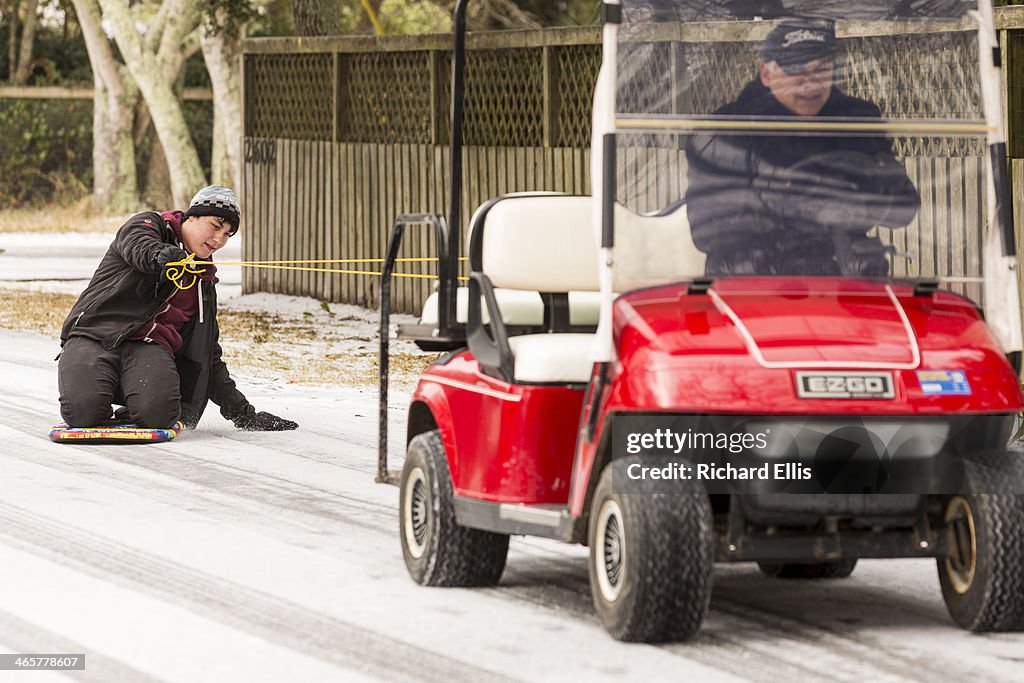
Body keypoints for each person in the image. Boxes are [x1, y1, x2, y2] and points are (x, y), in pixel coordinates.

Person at [685, 18, 920, 276]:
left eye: (821, 69)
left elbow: (903, 209)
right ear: (766, 73)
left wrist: (869, 192)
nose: (810, 84)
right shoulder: (724, 132)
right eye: (796, 71)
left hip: (842, 285)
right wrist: (793, 202)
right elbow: (705, 229)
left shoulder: (856, 120)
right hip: (751, 291)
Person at [57, 185, 298, 432]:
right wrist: (163, 254)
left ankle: (136, 403)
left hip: (149, 348)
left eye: (227, 234)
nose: (219, 240)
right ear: (192, 215)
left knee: (159, 415)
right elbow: (138, 246)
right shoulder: (150, 226)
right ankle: (95, 394)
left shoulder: (203, 282)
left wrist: (245, 416)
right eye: (216, 226)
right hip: (96, 334)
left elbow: (208, 355)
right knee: (83, 413)